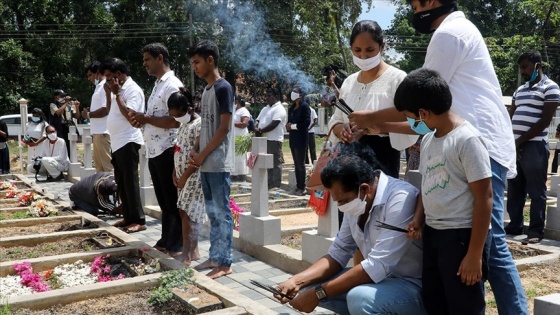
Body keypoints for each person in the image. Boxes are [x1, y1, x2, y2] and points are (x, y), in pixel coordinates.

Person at [352, 2, 529, 313]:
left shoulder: (448, 35)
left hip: (477, 146)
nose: (413, 8)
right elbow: (422, 115)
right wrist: (378, 124)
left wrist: (372, 116)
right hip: (452, 176)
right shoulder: (433, 133)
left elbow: (421, 99)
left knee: (492, 244)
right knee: (483, 251)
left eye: (416, 3)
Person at [275, 144, 425, 315]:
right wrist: (297, 281)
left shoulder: (400, 198)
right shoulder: (357, 201)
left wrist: (318, 294)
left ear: (364, 189)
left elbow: (377, 265)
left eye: (343, 201)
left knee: (360, 298)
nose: (340, 206)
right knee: (304, 289)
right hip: (379, 281)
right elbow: (338, 253)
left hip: (410, 286)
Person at [395, 68, 492, 314]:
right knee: (436, 301)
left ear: (423, 113)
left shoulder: (466, 140)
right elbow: (428, 184)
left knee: (463, 305)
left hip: (462, 238)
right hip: (434, 234)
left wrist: (474, 254)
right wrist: (418, 220)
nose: (411, 123)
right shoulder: (428, 139)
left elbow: (485, 198)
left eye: (410, 117)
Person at [329, 20, 418, 178]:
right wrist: (342, 129)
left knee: (377, 201)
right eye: (357, 50)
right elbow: (336, 118)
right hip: (347, 161)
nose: (363, 56)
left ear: (382, 47)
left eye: (370, 50)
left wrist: (376, 126)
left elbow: (414, 122)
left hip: (383, 160)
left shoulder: (397, 79)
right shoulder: (349, 82)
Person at [129, 43, 183, 255]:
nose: (144, 64)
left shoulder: (172, 85)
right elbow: (155, 116)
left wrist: (147, 119)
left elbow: (176, 120)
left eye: (147, 60)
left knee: (171, 199)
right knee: (163, 200)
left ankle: (176, 244)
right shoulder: (158, 84)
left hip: (168, 148)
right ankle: (166, 239)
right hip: (155, 148)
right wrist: (142, 121)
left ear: (160, 58)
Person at [188, 40, 235, 279]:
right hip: (206, 162)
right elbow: (205, 127)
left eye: (197, 62)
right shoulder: (206, 90)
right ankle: (215, 256)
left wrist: (203, 153)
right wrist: (196, 149)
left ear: (210, 60)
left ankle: (225, 262)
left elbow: (224, 128)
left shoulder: (223, 88)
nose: (194, 67)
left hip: (218, 162)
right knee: (212, 213)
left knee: (222, 212)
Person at [506, 51, 560, 244]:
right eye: (521, 67)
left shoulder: (550, 87)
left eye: (526, 67)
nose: (523, 71)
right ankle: (514, 226)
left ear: (537, 65)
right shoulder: (519, 90)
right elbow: (511, 116)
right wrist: (511, 140)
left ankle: (536, 231)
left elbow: (545, 120)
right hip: (515, 145)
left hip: (535, 146)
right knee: (515, 189)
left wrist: (520, 141)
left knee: (536, 191)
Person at [100, 57, 146, 234]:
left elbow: (130, 116)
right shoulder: (116, 89)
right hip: (118, 141)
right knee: (121, 182)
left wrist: (117, 94)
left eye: (109, 77)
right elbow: (111, 109)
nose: (107, 80)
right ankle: (128, 216)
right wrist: (110, 92)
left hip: (129, 140)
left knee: (130, 182)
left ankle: (138, 220)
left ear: (119, 74)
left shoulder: (133, 90)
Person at [168, 88, 206, 266]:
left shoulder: (199, 125)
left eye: (179, 114)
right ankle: (194, 251)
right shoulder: (183, 124)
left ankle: (187, 253)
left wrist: (184, 176)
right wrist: (175, 172)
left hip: (193, 174)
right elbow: (178, 149)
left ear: (189, 109)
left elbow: (197, 154)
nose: (176, 117)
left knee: (187, 212)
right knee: (187, 211)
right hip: (181, 175)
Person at [82, 61, 113, 172]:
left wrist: (89, 114)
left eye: (90, 75)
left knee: (108, 167)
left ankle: (111, 188)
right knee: (99, 168)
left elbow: (106, 109)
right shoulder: (98, 87)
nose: (89, 78)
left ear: (98, 73)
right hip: (97, 132)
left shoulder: (105, 86)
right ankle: (102, 188)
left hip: (103, 132)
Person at [255, 87, 287, 190]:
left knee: (275, 162)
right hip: (264, 139)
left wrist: (261, 130)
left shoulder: (280, 109)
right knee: (266, 161)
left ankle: (276, 184)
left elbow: (274, 124)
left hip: (274, 139)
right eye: (266, 96)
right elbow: (257, 119)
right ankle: (268, 182)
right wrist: (256, 127)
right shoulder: (265, 108)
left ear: (275, 96)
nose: (267, 98)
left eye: (269, 96)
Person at [286, 86, 311, 195]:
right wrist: (288, 126)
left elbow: (306, 123)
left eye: (295, 92)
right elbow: (289, 121)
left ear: (300, 95)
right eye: (293, 91)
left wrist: (293, 126)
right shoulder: (291, 108)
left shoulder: (305, 107)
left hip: (301, 138)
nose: (293, 93)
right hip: (293, 138)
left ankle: (302, 187)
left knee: (301, 164)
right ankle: (298, 186)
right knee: (296, 164)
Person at [49, 89, 80, 154]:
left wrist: (77, 107)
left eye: (64, 96)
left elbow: (76, 116)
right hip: (60, 128)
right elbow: (57, 112)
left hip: (69, 127)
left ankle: (70, 158)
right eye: (61, 96)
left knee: (70, 145)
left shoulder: (68, 105)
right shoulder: (53, 105)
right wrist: (66, 102)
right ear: (56, 97)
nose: (63, 97)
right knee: (61, 145)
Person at [232, 95, 250, 181]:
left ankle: (241, 176)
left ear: (237, 101)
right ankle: (234, 174)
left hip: (241, 137)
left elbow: (244, 124)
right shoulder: (234, 110)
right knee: (234, 156)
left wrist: (231, 123)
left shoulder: (243, 111)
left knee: (240, 157)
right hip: (234, 137)